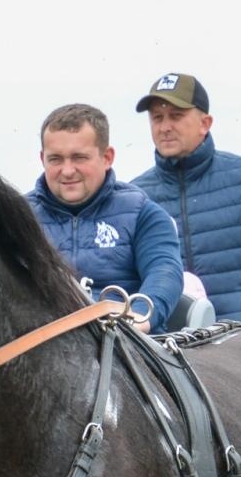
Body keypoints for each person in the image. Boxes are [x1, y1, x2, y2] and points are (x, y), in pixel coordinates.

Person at [130, 72, 241, 332]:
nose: (164, 127)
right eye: (157, 117)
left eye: (176, 116)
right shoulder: (136, 197)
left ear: (205, 123)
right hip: (167, 348)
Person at [25, 103, 183, 333]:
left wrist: (137, 320)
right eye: (55, 159)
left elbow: (165, 272)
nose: (67, 171)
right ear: (42, 159)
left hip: (125, 342)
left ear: (107, 157)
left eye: (79, 158)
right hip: (41, 342)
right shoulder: (17, 219)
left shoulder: (143, 213)